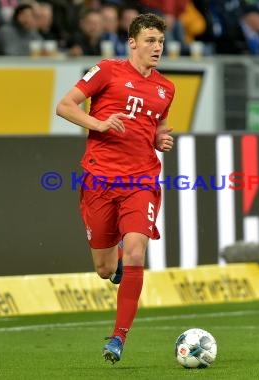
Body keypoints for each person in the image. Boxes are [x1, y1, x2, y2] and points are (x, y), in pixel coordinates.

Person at [55, 13, 175, 364]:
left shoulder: (166, 88)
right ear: (133, 42)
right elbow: (64, 106)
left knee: (137, 251)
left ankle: (118, 337)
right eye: (151, 41)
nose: (157, 47)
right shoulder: (107, 70)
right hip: (100, 180)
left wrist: (160, 138)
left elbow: (157, 126)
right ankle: (117, 259)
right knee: (105, 269)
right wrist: (100, 123)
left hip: (141, 180)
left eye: (161, 42)